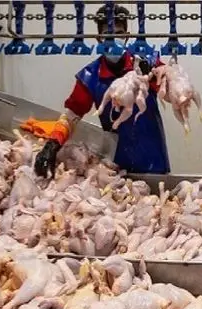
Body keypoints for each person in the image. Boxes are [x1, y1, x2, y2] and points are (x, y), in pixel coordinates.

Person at [23, 4, 170, 178]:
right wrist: (52, 145)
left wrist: (156, 75)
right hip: (115, 164)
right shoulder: (90, 77)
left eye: (119, 33)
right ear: (98, 38)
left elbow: (169, 95)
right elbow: (70, 117)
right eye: (108, 35)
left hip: (154, 157)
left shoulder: (146, 63)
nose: (113, 40)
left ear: (127, 36)